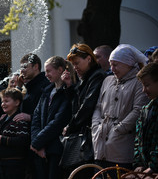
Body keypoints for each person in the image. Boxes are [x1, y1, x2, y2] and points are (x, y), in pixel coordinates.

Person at [92, 44, 149, 172]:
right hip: (100, 143)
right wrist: (96, 126)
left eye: (116, 65)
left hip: (122, 146)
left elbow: (138, 110)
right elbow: (98, 106)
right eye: (111, 64)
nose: (112, 69)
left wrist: (119, 129)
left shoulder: (138, 82)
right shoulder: (107, 80)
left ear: (128, 64)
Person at [61, 43, 106, 178]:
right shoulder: (84, 79)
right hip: (85, 135)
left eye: (77, 63)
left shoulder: (96, 76)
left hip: (91, 135)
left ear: (88, 59)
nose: (75, 67)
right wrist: (69, 87)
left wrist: (70, 126)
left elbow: (87, 106)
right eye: (73, 65)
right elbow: (77, 105)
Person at [31, 56, 73, 179]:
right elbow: (36, 117)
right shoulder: (47, 91)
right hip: (41, 148)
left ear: (60, 70)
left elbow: (58, 121)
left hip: (56, 149)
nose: (46, 75)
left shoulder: (68, 91)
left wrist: (37, 142)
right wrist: (36, 144)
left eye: (49, 71)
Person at [0, 88, 30, 179]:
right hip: (2, 162)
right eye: (2, 101)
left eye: (6, 101)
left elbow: (23, 140)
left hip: (14, 164)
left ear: (17, 103)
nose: (3, 104)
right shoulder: (3, 118)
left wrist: (2, 139)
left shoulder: (19, 119)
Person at [134, 62, 158, 175]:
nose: (144, 90)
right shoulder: (145, 109)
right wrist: (139, 164)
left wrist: (153, 166)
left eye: (147, 85)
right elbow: (138, 140)